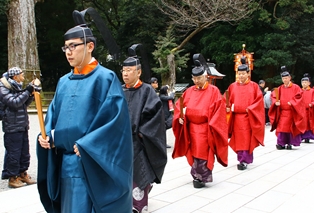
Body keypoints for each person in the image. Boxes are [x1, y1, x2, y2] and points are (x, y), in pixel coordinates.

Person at [37, 24, 133, 212]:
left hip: (91, 165)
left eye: (74, 46)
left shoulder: (106, 78)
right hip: (65, 164)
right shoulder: (63, 81)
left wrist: (89, 144)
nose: (68, 52)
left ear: (90, 46)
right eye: (66, 47)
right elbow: (53, 115)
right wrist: (45, 135)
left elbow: (115, 123)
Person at [172, 55, 228, 188]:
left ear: (205, 77)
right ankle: (196, 175)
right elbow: (180, 107)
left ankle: (201, 177)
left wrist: (212, 124)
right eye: (194, 78)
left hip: (205, 128)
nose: (196, 81)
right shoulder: (189, 91)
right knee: (192, 152)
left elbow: (219, 110)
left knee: (203, 154)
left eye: (199, 78)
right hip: (190, 127)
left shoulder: (214, 91)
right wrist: (180, 117)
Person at [121, 55, 167, 213]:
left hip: (139, 145)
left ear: (138, 72)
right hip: (120, 145)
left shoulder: (147, 91)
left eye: (129, 70)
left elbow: (156, 118)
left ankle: (139, 209)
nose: (125, 74)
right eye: (123, 70)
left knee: (138, 180)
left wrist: (141, 133)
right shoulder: (119, 91)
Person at [0, 67, 36, 188]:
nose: (23, 77)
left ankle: (22, 173)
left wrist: (30, 94)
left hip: (22, 124)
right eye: (21, 75)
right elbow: (14, 103)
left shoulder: (17, 86)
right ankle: (12, 177)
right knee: (14, 153)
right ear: (15, 77)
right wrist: (27, 91)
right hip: (12, 125)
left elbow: (23, 104)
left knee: (24, 152)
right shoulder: (3, 88)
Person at [226, 61, 265, 170]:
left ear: (248, 74)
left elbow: (259, 102)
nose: (241, 76)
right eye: (239, 73)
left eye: (243, 73)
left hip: (248, 117)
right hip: (236, 117)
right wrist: (227, 106)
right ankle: (241, 158)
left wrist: (250, 109)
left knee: (246, 139)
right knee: (238, 139)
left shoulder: (254, 86)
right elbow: (226, 99)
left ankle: (244, 160)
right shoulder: (232, 86)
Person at [268, 68, 305, 150]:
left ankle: (290, 143)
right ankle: (280, 143)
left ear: (290, 78)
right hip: (282, 112)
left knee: (290, 128)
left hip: (292, 111)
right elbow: (274, 96)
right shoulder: (280, 88)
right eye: (283, 78)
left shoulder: (296, 87)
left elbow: (299, 97)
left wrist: (292, 102)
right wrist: (275, 102)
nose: (285, 80)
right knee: (281, 128)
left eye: (286, 78)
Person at [300, 76, 314, 143]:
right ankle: (301, 137)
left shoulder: (312, 91)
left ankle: (308, 137)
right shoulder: (299, 91)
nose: (304, 84)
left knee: (309, 124)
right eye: (303, 82)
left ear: (309, 83)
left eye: (306, 82)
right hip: (301, 111)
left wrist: (312, 104)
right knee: (301, 124)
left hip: (309, 111)